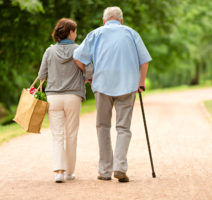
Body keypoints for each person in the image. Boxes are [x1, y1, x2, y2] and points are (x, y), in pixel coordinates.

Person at [73, 6, 151, 183]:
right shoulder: (132, 33)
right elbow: (145, 61)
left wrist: (89, 75)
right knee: (123, 128)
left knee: (103, 126)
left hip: (102, 84)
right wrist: (141, 82)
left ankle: (105, 170)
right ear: (121, 20)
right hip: (127, 85)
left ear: (104, 20)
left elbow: (78, 57)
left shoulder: (95, 34)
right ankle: (120, 167)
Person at [38, 18, 92, 183]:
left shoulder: (49, 51)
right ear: (70, 32)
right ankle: (69, 172)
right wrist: (84, 79)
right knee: (72, 134)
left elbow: (41, 75)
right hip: (73, 97)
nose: (76, 34)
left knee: (57, 135)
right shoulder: (79, 50)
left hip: (53, 97)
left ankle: (59, 172)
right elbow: (89, 71)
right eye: (75, 31)